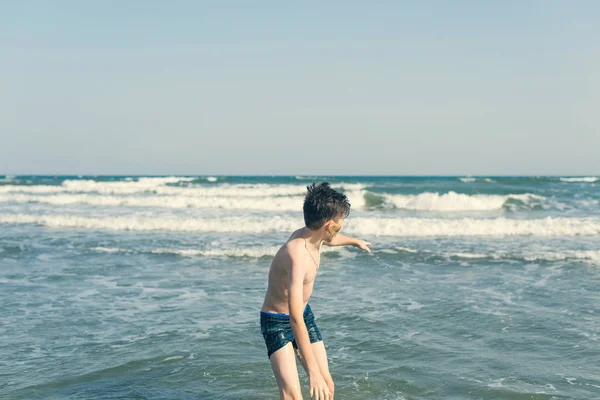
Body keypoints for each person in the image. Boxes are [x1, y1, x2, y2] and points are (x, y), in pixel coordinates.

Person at [260, 182, 372, 399]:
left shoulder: (314, 235)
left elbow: (330, 240)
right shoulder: (296, 255)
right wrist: (312, 372)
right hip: (278, 323)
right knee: (293, 395)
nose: (340, 227)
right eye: (340, 224)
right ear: (329, 225)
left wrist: (354, 241)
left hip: (304, 316)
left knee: (327, 387)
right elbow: (294, 318)